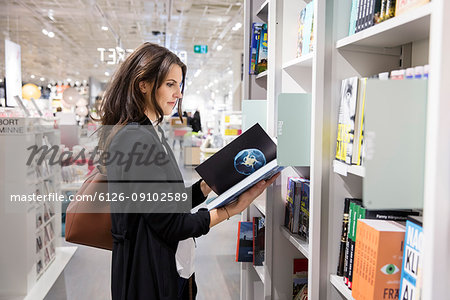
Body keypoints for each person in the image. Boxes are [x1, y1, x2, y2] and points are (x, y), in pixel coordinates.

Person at [98, 42, 279, 300]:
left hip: (165, 267)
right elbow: (172, 224)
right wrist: (230, 210)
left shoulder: (147, 133)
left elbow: (161, 204)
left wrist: (206, 186)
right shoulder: (136, 140)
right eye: (170, 84)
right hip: (149, 277)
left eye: (179, 84)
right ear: (144, 84)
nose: (179, 93)